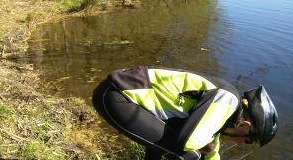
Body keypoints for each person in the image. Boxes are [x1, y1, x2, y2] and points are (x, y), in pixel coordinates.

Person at [92, 66, 278, 160]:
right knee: (189, 155)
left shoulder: (225, 116)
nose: (240, 144)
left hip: (121, 97)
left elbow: (212, 151)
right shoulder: (227, 101)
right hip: (117, 95)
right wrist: (206, 148)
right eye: (248, 141)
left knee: (163, 145)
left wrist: (209, 149)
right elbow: (188, 142)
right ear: (245, 125)